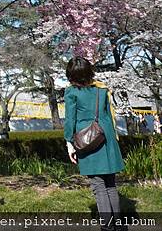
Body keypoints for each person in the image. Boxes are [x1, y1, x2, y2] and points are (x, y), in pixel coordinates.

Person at [64, 57, 125, 231]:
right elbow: (108, 115)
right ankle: (118, 226)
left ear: (71, 75)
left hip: (88, 138)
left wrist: (69, 143)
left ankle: (107, 227)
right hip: (106, 136)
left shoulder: (72, 92)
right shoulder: (102, 89)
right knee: (110, 183)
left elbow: (70, 120)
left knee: (98, 185)